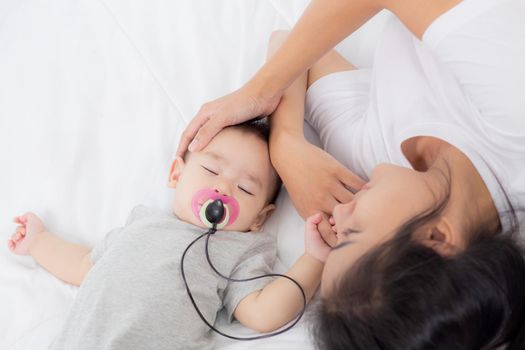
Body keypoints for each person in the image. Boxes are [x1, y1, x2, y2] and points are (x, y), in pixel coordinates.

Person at [177, 0, 525, 348]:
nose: (338, 214)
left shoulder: (370, 164)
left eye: (338, 239)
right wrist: (258, 92)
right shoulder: (514, 128)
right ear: (436, 237)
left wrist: (286, 144)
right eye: (353, 233)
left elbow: (294, 47)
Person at [6, 120, 330, 350]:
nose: (223, 187)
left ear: (259, 218)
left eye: (245, 188)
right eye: (211, 170)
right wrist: (38, 242)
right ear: (177, 173)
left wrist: (314, 257)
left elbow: (262, 313)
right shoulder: (142, 222)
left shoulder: (238, 249)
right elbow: (83, 265)